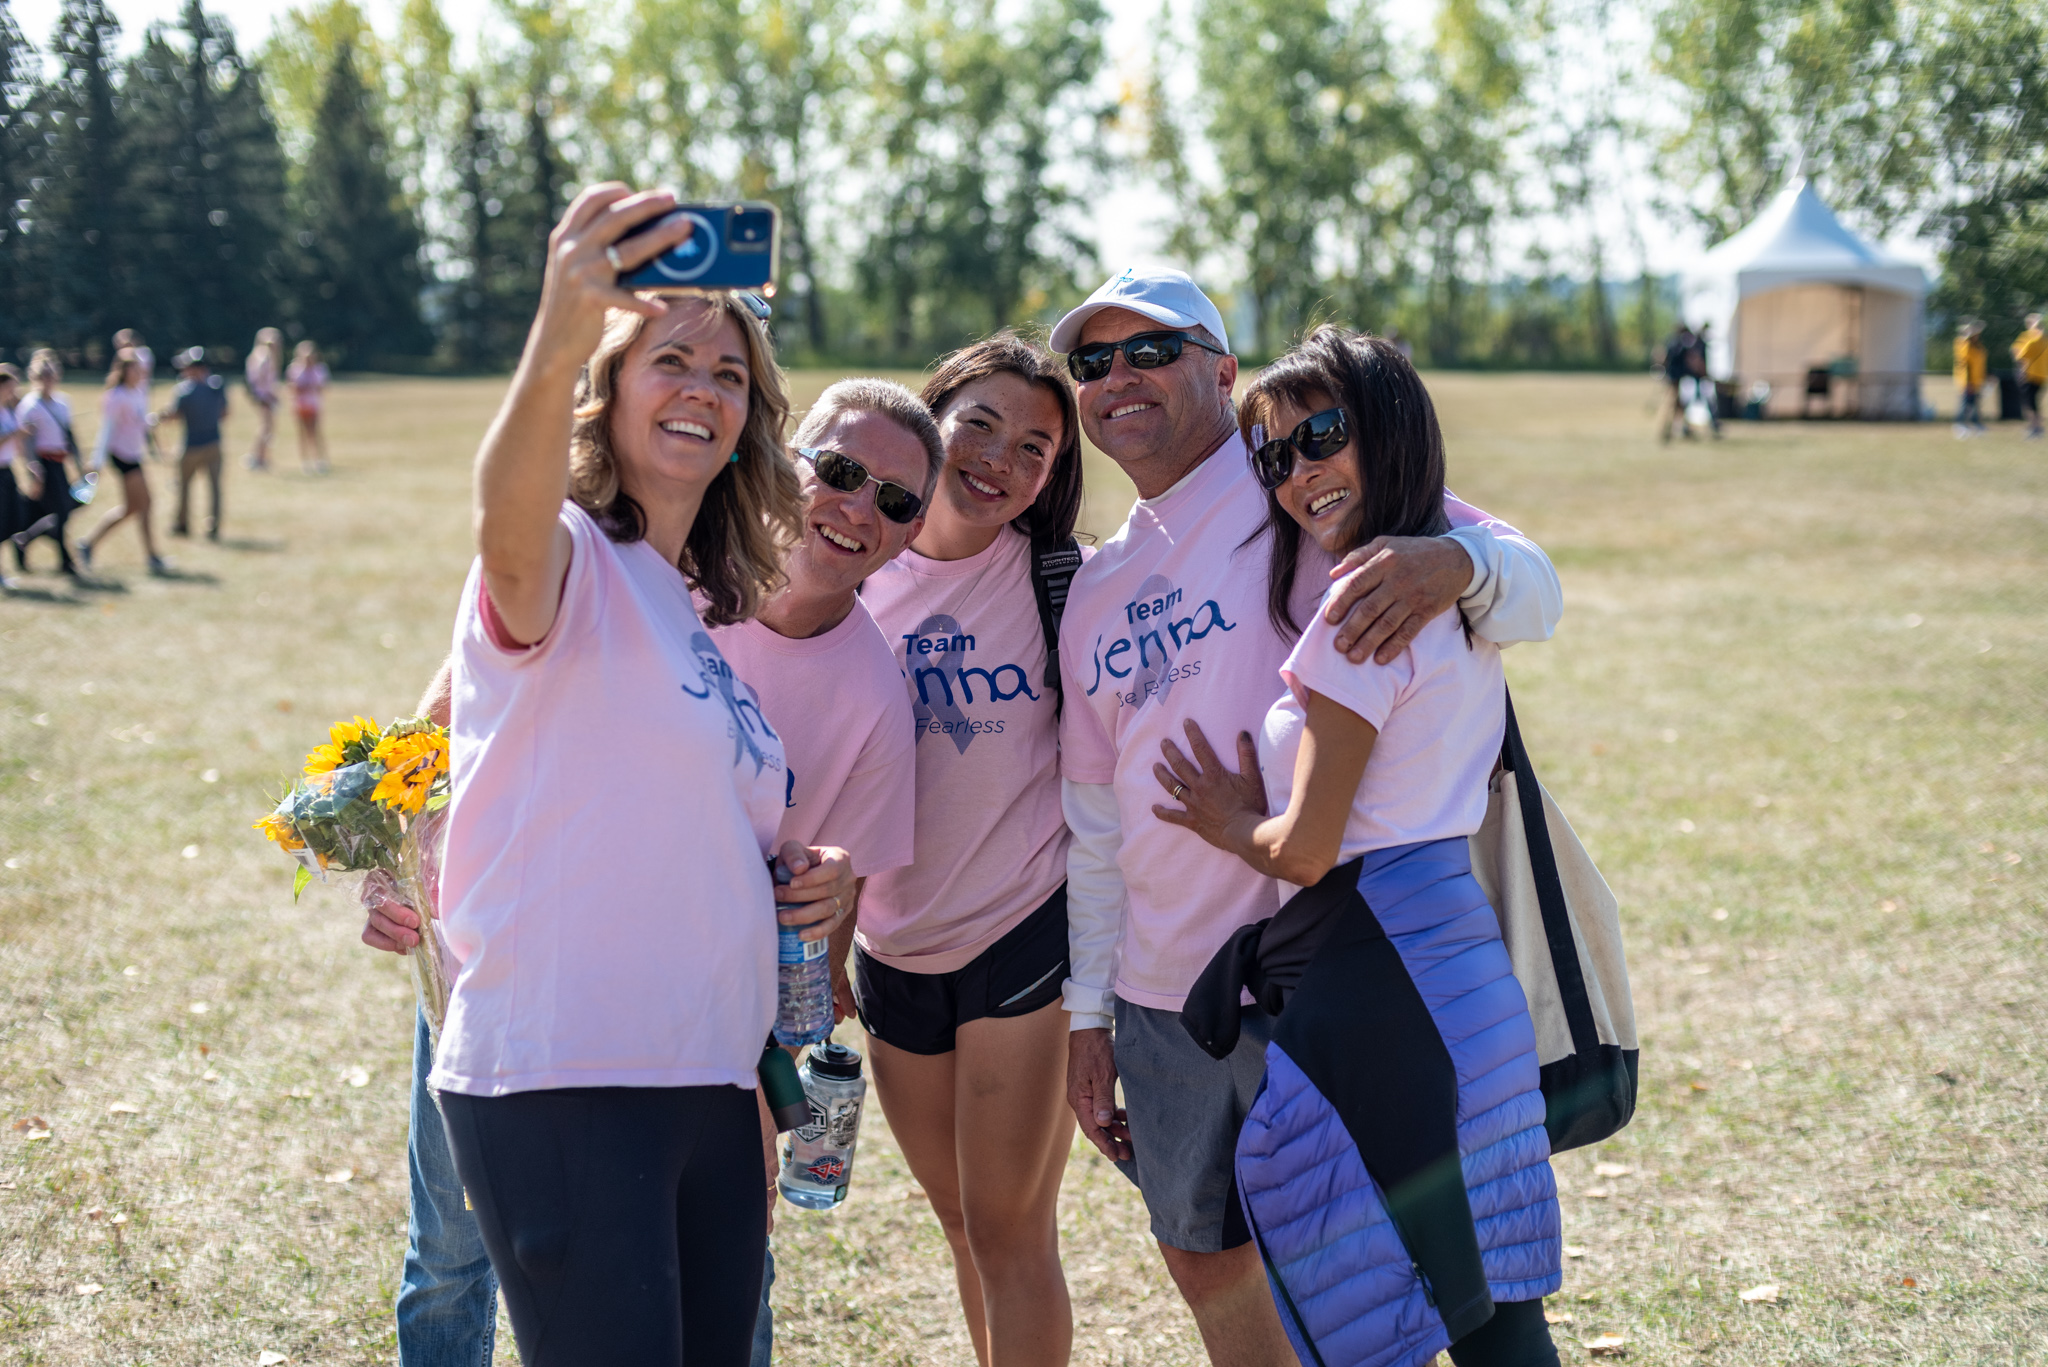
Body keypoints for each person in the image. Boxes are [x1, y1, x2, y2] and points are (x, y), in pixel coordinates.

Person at [1049, 267, 1562, 1367]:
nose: (1119, 378)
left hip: (1326, 973)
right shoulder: (1097, 585)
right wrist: (1089, 1011)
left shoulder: (1301, 483)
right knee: (1217, 1267)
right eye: (1092, 362)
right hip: (1165, 994)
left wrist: (1450, 557)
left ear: (1221, 370)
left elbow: (1531, 583)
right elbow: (1093, 820)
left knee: (1399, 1279)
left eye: (1152, 349)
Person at [426, 183, 853, 1364]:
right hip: (567, 1075)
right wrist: (564, 322)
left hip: (708, 1085)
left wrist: (805, 882)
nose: (704, 391)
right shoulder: (565, 555)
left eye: (729, 376)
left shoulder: (686, 610)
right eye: (672, 359)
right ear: (606, 391)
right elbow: (500, 528)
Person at [852, 333, 1088, 1366]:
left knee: (1009, 1227)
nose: (1000, 458)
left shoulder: (1059, 581)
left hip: (1020, 934)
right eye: (980, 424)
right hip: (890, 948)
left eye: (1034, 447)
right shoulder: (844, 568)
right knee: (957, 1223)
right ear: (928, 419)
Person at [710, 376, 935, 1367]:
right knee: (462, 1247)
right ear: (787, 456)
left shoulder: (878, 697)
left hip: (725, 1015)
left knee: (727, 1264)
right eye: (839, 471)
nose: (857, 508)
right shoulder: (668, 563)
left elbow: (835, 930)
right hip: (552, 961)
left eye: (895, 500)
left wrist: (830, 889)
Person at [77, 349, 165, 575]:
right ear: (124, 371)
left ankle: (88, 544)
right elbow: (106, 430)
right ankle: (152, 555)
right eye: (134, 369)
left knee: (133, 508)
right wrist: (95, 463)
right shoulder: (116, 396)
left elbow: (138, 423)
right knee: (145, 504)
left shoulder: (137, 392)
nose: (139, 373)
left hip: (134, 455)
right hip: (122, 456)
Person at [10, 349, 82, 578]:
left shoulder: (63, 403)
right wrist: (33, 469)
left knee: (55, 511)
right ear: (35, 378)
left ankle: (24, 539)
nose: (48, 381)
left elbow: (69, 435)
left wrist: (79, 463)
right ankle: (66, 560)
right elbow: (27, 442)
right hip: (43, 463)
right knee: (60, 511)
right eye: (43, 376)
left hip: (59, 462)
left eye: (51, 376)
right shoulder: (30, 406)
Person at [160, 347, 229, 541]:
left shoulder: (184, 390)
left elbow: (175, 415)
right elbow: (225, 413)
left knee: (184, 487)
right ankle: (213, 526)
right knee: (215, 488)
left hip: (191, 446)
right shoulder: (218, 385)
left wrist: (161, 416)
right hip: (214, 442)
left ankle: (182, 524)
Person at [0, 364, 27, 589]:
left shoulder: (8, 410)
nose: (13, 392)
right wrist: (14, 434)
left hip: (7, 470)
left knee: (12, 519)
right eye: (10, 388)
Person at [245, 328, 284, 470]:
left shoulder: (260, 354)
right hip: (263, 396)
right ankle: (257, 458)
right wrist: (268, 394)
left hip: (263, 396)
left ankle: (262, 457)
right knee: (266, 428)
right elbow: (260, 377)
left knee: (267, 428)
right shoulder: (264, 355)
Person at [289, 340, 330, 471]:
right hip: (300, 405)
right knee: (302, 434)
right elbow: (293, 388)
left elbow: (323, 387)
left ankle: (320, 460)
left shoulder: (320, 369)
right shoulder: (295, 369)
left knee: (316, 433)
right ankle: (305, 461)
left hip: (314, 404)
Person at [1658, 323, 1695, 443]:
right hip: (1677, 379)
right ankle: (1668, 430)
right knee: (1674, 404)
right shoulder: (1682, 345)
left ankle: (1684, 428)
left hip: (1672, 378)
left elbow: (1664, 359)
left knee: (1680, 405)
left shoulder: (1671, 343)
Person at [2014, 312, 2046, 440]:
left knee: (2029, 403)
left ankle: (2035, 427)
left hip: (2030, 374)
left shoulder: (2034, 338)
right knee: (2033, 402)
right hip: (2041, 374)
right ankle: (2035, 426)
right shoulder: (2042, 338)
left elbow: (2020, 354)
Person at [1953, 321, 1989, 437]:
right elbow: (1965, 363)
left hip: (1977, 380)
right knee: (1966, 403)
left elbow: (1981, 362)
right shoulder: (1963, 344)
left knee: (1974, 403)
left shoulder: (1978, 346)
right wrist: (1968, 382)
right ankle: (1960, 424)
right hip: (1967, 380)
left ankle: (1976, 423)